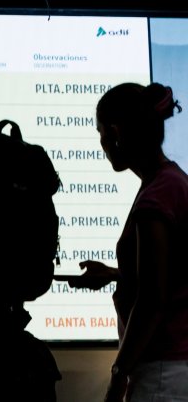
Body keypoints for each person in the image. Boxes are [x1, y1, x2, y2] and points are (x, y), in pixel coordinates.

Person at [69, 82, 188, 402]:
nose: (101, 143)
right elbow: (171, 275)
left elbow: (153, 299)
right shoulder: (173, 182)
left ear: (116, 131)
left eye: (100, 133)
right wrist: (114, 274)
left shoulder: (155, 199)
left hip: (163, 373)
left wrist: (119, 373)